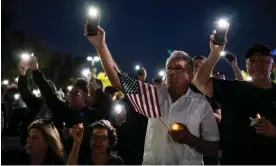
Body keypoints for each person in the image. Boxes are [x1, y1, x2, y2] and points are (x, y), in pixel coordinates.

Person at [84, 25, 219, 164]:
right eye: (169, 68)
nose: (172, 72)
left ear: (190, 76)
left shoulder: (201, 104)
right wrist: (100, 46)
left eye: (178, 69)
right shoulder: (154, 94)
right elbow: (118, 81)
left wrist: (189, 138)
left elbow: (213, 148)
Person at [194, 30, 276, 164]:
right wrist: (215, 53)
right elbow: (201, 82)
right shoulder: (233, 89)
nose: (256, 64)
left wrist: (274, 131)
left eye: (263, 61)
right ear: (247, 65)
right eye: (252, 61)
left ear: (272, 66)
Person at [2, 119, 66, 165]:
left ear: (47, 141)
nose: (30, 140)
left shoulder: (55, 162)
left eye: (35, 138)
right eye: (29, 136)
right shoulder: (15, 158)